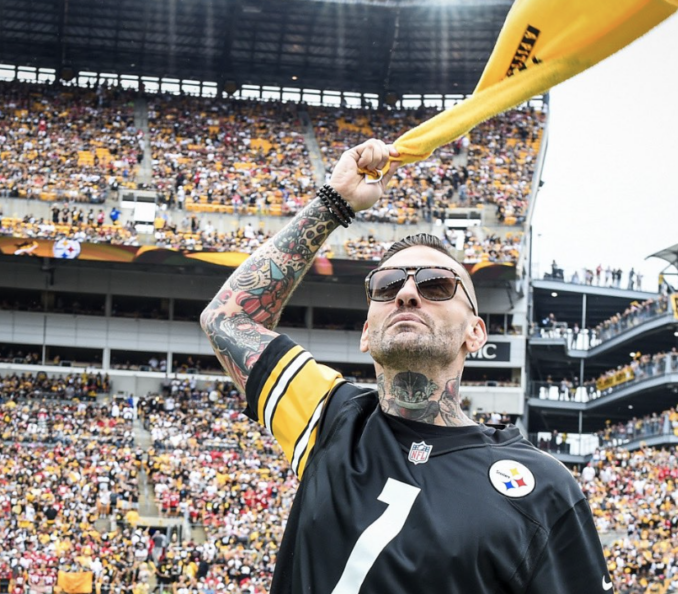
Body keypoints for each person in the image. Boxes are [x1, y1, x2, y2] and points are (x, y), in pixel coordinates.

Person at [200, 139, 612, 594]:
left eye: (437, 285)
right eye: (387, 283)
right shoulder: (331, 419)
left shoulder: (542, 488)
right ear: (365, 333)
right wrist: (333, 202)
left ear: (475, 332)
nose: (406, 293)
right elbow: (227, 318)